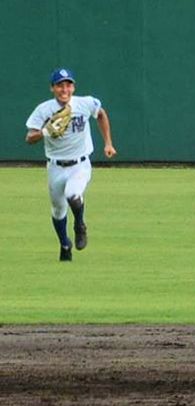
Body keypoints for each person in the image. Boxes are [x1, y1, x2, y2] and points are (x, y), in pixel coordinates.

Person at [24, 68, 116, 262]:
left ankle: (80, 225)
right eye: (59, 85)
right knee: (58, 211)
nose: (64, 89)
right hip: (55, 167)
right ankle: (65, 244)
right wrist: (45, 132)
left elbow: (100, 114)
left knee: (73, 195)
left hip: (80, 164)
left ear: (73, 87)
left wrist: (108, 142)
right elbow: (29, 138)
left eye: (68, 85)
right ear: (52, 88)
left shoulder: (84, 103)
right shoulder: (44, 109)